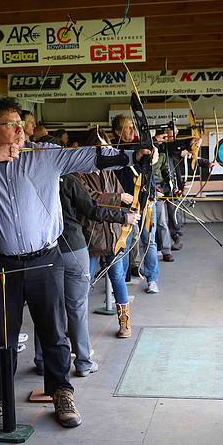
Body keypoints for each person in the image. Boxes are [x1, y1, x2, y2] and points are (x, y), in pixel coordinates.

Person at [0, 97, 151, 428]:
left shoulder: (44, 157)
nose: (20, 131)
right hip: (2, 264)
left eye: (21, 124)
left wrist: (133, 154)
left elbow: (91, 157)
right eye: (11, 125)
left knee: (53, 331)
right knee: (3, 336)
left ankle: (61, 391)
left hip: (45, 260)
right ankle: (0, 397)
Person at [35, 165, 140, 373]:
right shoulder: (69, 179)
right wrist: (123, 216)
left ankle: (43, 362)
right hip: (73, 247)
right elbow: (92, 208)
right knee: (77, 307)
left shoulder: (33, 178)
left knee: (46, 306)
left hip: (42, 249)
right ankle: (83, 362)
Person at [76, 128, 139, 338]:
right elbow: (89, 198)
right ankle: (78, 326)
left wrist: (132, 201)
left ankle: (124, 322)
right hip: (91, 234)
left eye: (107, 149)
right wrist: (119, 198)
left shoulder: (108, 171)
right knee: (84, 282)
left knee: (117, 277)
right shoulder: (78, 172)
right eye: (101, 149)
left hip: (113, 233)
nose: (106, 153)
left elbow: (120, 193)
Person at [112, 114, 160, 294]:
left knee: (149, 241)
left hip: (145, 200)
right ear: (118, 132)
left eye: (134, 126)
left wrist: (152, 149)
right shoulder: (112, 150)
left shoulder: (142, 145)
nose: (133, 130)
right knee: (122, 242)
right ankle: (120, 283)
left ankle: (152, 279)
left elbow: (150, 168)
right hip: (124, 202)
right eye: (128, 127)